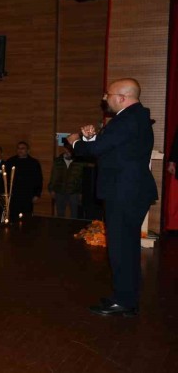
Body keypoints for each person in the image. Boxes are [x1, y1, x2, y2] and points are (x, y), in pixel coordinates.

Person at [67, 78, 157, 316]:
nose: (104, 98)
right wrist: (90, 139)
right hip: (130, 191)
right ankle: (126, 298)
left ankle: (124, 301)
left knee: (121, 249)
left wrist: (76, 142)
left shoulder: (126, 120)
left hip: (124, 192)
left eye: (108, 94)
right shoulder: (136, 117)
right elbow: (110, 149)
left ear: (122, 98)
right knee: (126, 248)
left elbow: (97, 150)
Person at [4, 141, 43, 221]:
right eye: (18, 148)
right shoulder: (10, 161)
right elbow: (5, 179)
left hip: (27, 196)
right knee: (13, 218)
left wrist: (37, 194)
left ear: (28, 150)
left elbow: (38, 179)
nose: (20, 150)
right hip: (14, 196)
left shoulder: (34, 163)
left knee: (27, 218)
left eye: (22, 148)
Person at [48, 145, 84, 218]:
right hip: (59, 191)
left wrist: (81, 192)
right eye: (67, 149)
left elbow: (82, 178)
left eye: (70, 150)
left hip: (74, 192)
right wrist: (51, 189)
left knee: (74, 214)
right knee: (60, 214)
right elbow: (53, 176)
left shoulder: (79, 161)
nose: (68, 152)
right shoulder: (58, 161)